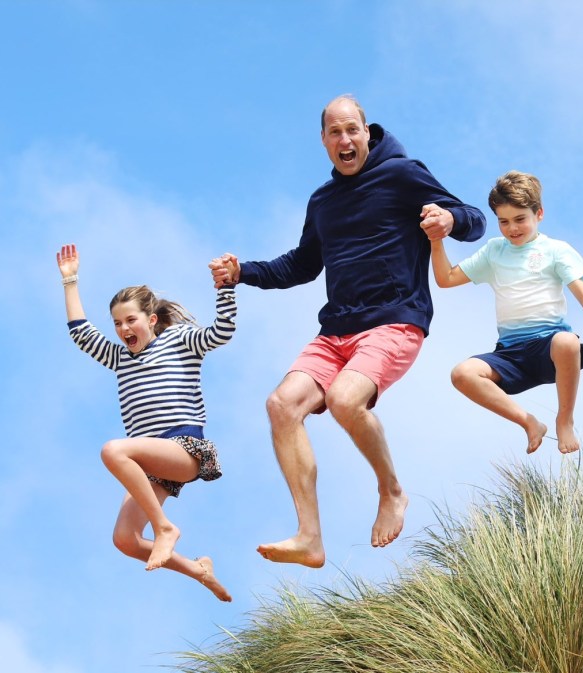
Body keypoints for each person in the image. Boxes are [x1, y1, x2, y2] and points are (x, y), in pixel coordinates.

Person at [209, 94, 485, 568]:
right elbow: (300, 265)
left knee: (343, 399)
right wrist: (242, 273)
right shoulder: (323, 201)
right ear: (323, 141)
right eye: (334, 132)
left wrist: (448, 218)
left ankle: (391, 491)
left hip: (395, 319)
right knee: (281, 406)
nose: (345, 139)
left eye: (351, 129)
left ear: (366, 131)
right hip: (336, 331)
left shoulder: (402, 174)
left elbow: (475, 221)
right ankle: (310, 537)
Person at [57, 243, 236, 601]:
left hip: (184, 448)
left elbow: (221, 333)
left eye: (131, 320)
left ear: (151, 320)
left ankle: (165, 528)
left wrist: (226, 288)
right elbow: (80, 332)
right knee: (125, 540)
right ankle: (199, 571)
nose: (124, 328)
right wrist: (70, 281)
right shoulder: (120, 357)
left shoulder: (178, 341)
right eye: (118, 323)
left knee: (113, 451)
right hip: (151, 464)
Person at [429, 170, 583, 455]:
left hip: (549, 348)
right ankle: (529, 423)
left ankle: (564, 419)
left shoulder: (556, 250)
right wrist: (436, 241)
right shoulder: (494, 252)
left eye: (520, 219)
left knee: (567, 341)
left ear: (539, 214)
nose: (512, 228)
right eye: (503, 221)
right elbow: (446, 279)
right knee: (462, 374)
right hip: (511, 354)